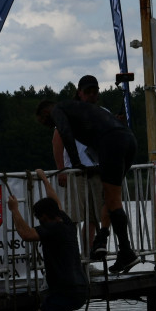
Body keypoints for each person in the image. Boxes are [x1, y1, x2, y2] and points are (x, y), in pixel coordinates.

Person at [7, 169, 90, 311]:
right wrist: (44, 179)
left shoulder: (52, 229)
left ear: (44, 218)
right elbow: (55, 201)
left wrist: (14, 210)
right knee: (49, 307)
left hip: (65, 291)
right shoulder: (65, 221)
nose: (39, 222)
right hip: (80, 289)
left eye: (39, 219)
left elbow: (25, 234)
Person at [36, 98, 139, 274]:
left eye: (44, 122)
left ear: (45, 113)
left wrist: (75, 163)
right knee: (111, 198)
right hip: (128, 140)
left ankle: (125, 251)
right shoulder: (80, 108)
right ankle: (108, 241)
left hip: (112, 142)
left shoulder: (57, 109)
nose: (46, 125)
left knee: (112, 200)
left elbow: (66, 133)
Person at [51, 75, 106, 248]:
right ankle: (73, 258)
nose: (91, 95)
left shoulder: (104, 112)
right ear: (79, 93)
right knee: (73, 217)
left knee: (94, 218)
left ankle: (87, 259)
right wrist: (61, 169)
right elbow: (57, 141)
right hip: (75, 173)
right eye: (87, 91)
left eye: (94, 91)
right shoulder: (69, 113)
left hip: (97, 172)